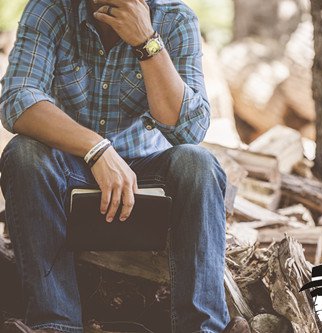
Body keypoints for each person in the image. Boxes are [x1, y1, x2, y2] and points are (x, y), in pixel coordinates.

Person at [0, 0, 250, 332]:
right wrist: (96, 148)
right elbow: (18, 99)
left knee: (199, 164)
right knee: (24, 153)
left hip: (147, 177)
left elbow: (190, 130)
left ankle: (202, 327)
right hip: (69, 171)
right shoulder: (50, 9)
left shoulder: (176, 18)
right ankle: (55, 324)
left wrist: (147, 42)